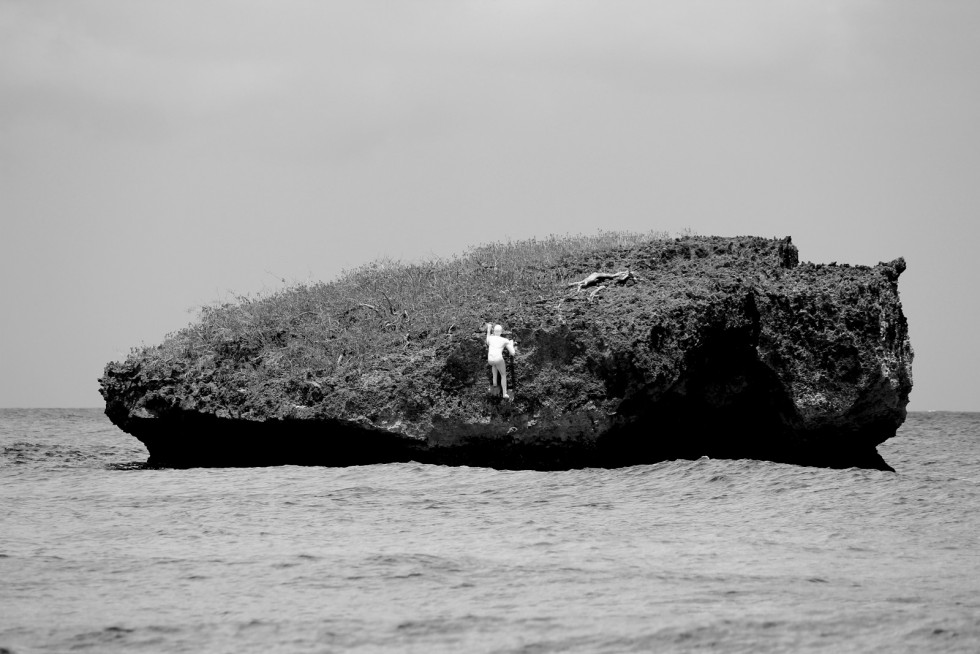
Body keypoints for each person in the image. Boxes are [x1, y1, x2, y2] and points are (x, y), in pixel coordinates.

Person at [485, 323, 516, 399]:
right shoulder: (504, 340)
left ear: (494, 331)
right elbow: (513, 353)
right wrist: (511, 343)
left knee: (494, 365)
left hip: (490, 359)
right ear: (501, 332)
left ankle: (495, 383)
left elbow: (487, 340)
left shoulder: (491, 338)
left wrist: (488, 329)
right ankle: (504, 393)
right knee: (503, 374)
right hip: (498, 359)